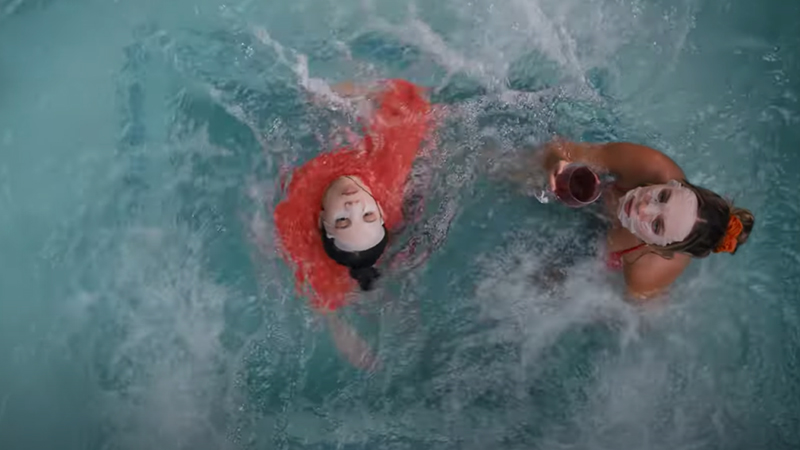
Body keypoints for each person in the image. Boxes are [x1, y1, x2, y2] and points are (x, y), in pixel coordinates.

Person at [273, 78, 434, 368]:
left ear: (322, 220)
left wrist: (338, 329)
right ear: (380, 211)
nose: (353, 205)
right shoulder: (386, 176)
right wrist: (359, 90)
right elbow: (417, 96)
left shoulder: (294, 214)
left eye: (343, 220)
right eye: (368, 215)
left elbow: (314, 286)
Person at [533, 138, 755, 302]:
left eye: (657, 225)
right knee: (523, 170)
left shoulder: (645, 270)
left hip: (597, 246)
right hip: (598, 198)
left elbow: (627, 308)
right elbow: (558, 146)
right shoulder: (650, 166)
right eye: (662, 196)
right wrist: (557, 163)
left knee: (542, 286)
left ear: (660, 248)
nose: (643, 206)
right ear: (672, 185)